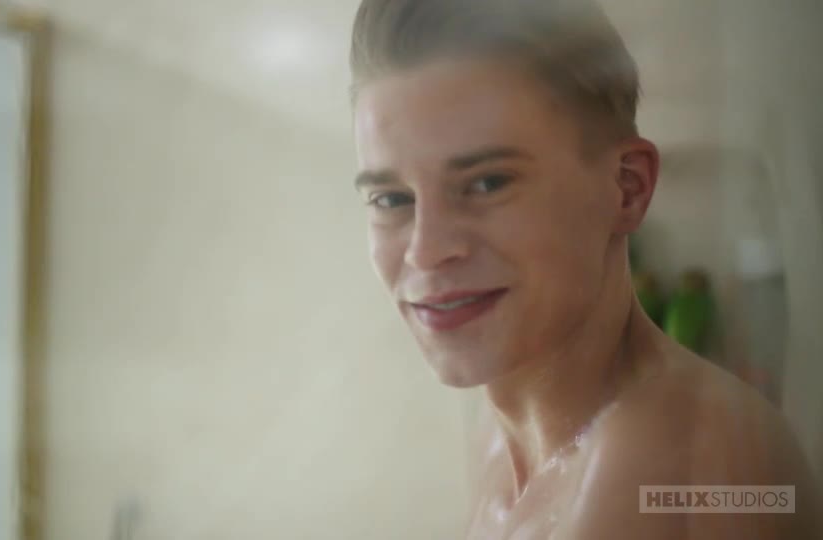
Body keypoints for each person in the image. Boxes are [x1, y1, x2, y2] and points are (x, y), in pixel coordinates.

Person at [347, 0, 820, 537]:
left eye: (487, 183)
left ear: (627, 187)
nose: (425, 251)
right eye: (390, 199)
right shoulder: (499, 438)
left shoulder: (685, 464)